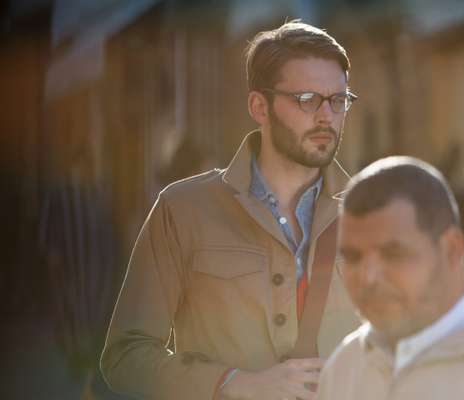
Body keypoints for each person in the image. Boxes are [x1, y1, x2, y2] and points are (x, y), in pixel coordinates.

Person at [100, 21, 361, 400]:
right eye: (307, 99)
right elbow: (125, 355)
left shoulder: (372, 215)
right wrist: (232, 383)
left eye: (338, 100)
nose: (326, 116)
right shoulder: (183, 209)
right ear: (260, 106)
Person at [317, 156, 464, 400]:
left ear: (452, 249)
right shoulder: (343, 370)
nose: (368, 277)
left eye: (393, 254)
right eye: (353, 257)